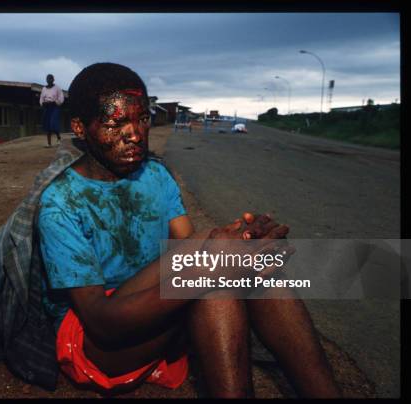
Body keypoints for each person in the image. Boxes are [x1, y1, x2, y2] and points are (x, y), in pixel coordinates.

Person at [36, 62, 341, 397]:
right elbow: (102, 324)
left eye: (142, 119)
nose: (135, 134)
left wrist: (245, 241)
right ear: (79, 127)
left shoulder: (154, 175)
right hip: (97, 342)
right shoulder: (62, 202)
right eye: (116, 123)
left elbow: (189, 247)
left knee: (249, 273)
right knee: (215, 282)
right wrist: (214, 269)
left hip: (155, 308)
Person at [39, 74, 65, 147]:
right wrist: (42, 103)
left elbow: (61, 97)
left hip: (54, 107)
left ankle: (58, 138)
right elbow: (41, 98)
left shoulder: (57, 88)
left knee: (53, 123)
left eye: (50, 79)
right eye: (48, 79)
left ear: (53, 80)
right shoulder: (44, 89)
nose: (49, 80)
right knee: (47, 125)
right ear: (46, 80)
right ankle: (49, 143)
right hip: (47, 107)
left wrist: (56, 102)